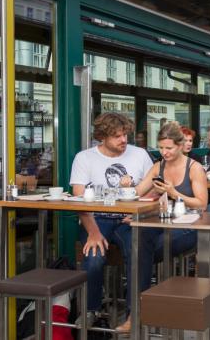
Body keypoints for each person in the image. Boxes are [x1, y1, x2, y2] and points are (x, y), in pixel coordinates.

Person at [114, 122, 207, 332]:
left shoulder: (194, 168)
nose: (164, 152)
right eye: (161, 148)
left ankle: (140, 312)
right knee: (138, 239)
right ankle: (139, 311)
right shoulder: (158, 167)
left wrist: (175, 194)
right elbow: (139, 191)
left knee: (139, 251)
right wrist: (127, 185)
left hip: (190, 225)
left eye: (169, 148)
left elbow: (201, 203)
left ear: (181, 145)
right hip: (164, 220)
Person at [70, 113, 153, 327]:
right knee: (94, 256)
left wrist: (139, 212)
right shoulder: (84, 158)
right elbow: (79, 200)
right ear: (102, 137)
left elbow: (155, 188)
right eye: (117, 136)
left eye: (125, 134)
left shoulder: (140, 154)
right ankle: (91, 309)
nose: (124, 140)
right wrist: (93, 232)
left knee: (137, 252)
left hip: (129, 218)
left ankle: (135, 313)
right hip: (96, 219)